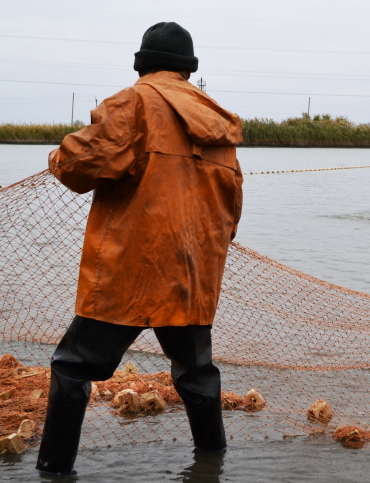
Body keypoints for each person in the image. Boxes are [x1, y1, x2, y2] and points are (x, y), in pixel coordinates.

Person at [36, 22, 243, 474]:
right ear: (189, 71)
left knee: (72, 367)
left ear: (142, 63)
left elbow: (79, 164)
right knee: (197, 375)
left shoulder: (134, 102)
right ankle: (213, 465)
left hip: (128, 272)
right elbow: (232, 211)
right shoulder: (219, 123)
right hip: (191, 279)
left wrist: (54, 158)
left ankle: (52, 471)